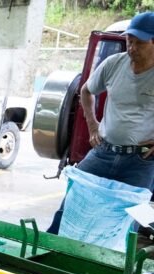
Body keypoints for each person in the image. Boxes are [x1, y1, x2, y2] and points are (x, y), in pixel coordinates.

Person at [47, 12, 154, 234]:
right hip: (104, 151)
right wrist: (93, 125)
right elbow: (86, 90)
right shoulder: (114, 64)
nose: (132, 48)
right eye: (129, 41)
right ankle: (48, 246)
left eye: (139, 43)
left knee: (130, 220)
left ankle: (116, 264)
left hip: (141, 161)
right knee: (73, 197)